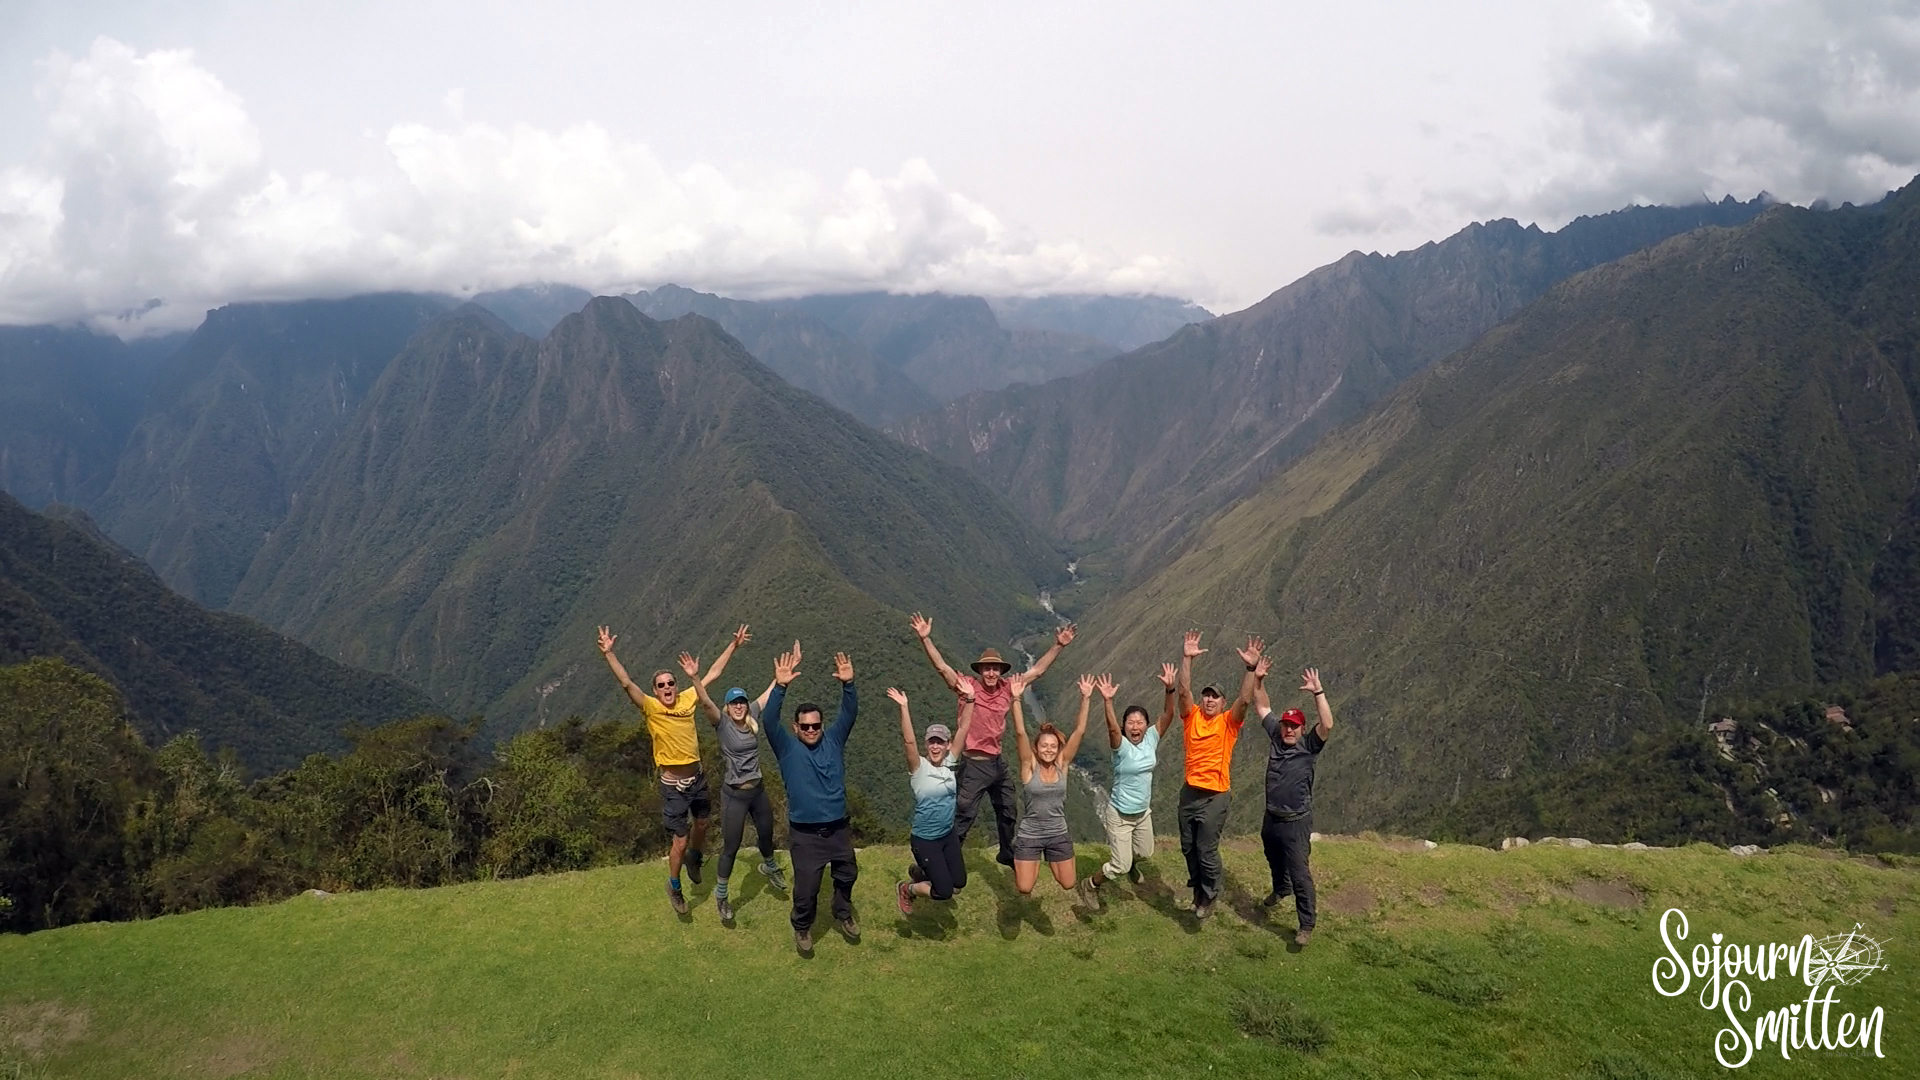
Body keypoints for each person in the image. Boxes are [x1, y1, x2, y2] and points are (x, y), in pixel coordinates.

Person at [597, 623, 747, 914]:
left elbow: (713, 674)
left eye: (670, 683)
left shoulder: (688, 698)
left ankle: (695, 856)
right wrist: (609, 654)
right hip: (673, 786)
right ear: (654, 690)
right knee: (679, 840)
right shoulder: (651, 707)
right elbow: (627, 683)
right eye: (661, 685)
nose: (667, 688)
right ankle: (674, 885)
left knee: (702, 825)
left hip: (697, 779)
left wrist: (734, 645)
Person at [908, 612, 1075, 867]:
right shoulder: (967, 688)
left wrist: (1058, 646)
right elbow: (942, 668)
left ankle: (1007, 853)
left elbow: (1037, 671)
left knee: (1008, 808)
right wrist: (925, 639)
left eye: (995, 668)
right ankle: (940, 859)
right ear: (980, 670)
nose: (991, 673)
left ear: (1000, 670)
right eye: (987, 668)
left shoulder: (1008, 688)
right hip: (973, 763)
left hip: (996, 762)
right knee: (964, 814)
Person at [686, 644, 796, 924]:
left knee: (766, 835)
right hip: (734, 795)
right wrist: (695, 679)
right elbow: (705, 702)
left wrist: (779, 678)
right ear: (727, 706)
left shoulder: (751, 717)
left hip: (757, 791)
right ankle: (722, 896)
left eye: (742, 702)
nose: (738, 706)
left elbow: (767, 695)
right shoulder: (721, 723)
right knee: (731, 847)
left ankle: (769, 867)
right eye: (734, 702)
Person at [761, 644, 860, 955]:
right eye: (805, 726)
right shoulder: (787, 748)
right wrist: (780, 686)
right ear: (796, 727)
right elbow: (767, 721)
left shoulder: (833, 739)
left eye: (816, 725)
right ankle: (802, 926)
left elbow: (850, 713)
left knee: (847, 874)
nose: (812, 730)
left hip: (839, 829)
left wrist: (848, 684)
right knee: (806, 889)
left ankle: (842, 913)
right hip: (805, 834)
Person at [1174, 630, 1260, 920]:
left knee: (1206, 849)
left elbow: (1245, 701)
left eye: (1215, 697)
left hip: (1215, 796)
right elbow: (1183, 692)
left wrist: (1250, 669)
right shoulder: (1191, 717)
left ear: (1223, 703)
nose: (1209, 700)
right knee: (1188, 847)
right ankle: (1197, 888)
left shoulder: (1228, 723)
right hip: (1190, 791)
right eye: (1207, 696)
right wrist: (1186, 658)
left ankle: (1209, 895)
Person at [1077, 664, 1178, 905]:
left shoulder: (1152, 739)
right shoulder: (1120, 747)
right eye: (1130, 723)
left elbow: (1169, 715)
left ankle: (1130, 862)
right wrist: (1108, 701)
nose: (1135, 726)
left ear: (1146, 725)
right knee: (1119, 866)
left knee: (1145, 852)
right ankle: (1091, 884)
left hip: (1143, 813)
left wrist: (1170, 689)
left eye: (1140, 722)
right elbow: (1112, 728)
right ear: (1125, 727)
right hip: (1120, 815)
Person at [1254, 663, 1336, 946]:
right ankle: (1280, 889)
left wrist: (1318, 692)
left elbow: (1327, 724)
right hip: (1272, 817)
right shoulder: (1276, 735)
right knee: (1273, 857)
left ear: (1303, 729)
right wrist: (1259, 678)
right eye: (1286, 725)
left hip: (1296, 821)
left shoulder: (1310, 746)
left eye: (1294, 726)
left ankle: (1306, 925)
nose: (1288, 730)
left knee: (1300, 872)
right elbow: (1262, 706)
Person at [890, 685, 977, 914]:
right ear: (927, 744)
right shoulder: (919, 768)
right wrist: (904, 707)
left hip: (947, 835)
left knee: (959, 883)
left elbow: (964, 728)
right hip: (925, 840)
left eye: (940, 742)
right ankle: (907, 889)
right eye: (932, 742)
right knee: (944, 891)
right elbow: (908, 742)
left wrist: (970, 699)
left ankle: (922, 873)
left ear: (948, 745)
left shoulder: (950, 763)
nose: (936, 746)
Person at [1009, 672, 1091, 898]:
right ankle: (1026, 858)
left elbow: (1079, 732)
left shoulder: (1062, 765)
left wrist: (1085, 698)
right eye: (1044, 745)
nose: (1048, 749)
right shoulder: (1029, 767)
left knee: (1068, 883)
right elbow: (1020, 732)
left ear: (1058, 749)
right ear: (1036, 747)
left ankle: (1047, 858)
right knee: (1024, 887)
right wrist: (1015, 699)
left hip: (1058, 833)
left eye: (1053, 746)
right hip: (1030, 834)